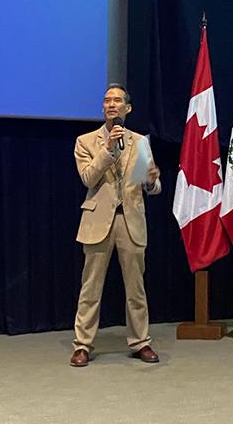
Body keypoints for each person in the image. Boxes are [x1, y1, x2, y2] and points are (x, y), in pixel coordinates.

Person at [69, 84, 162, 367]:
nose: (111, 104)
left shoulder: (140, 143)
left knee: (136, 288)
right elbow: (88, 178)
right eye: (107, 100)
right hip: (98, 221)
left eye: (117, 100)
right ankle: (82, 345)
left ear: (127, 108)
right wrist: (108, 148)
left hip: (130, 220)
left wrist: (151, 181)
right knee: (90, 288)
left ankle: (141, 342)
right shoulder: (86, 141)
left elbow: (150, 185)